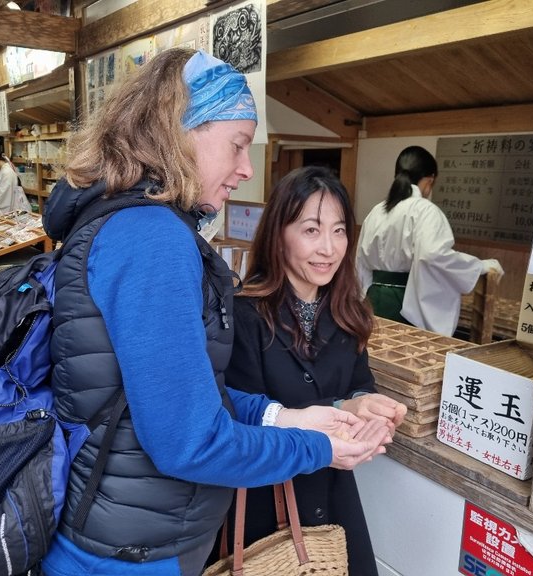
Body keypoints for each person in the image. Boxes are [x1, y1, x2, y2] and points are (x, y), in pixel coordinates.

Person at [40, 48, 392, 576]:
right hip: (134, 551)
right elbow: (190, 442)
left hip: (124, 529)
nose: (246, 169)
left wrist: (285, 416)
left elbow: (186, 396)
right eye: (238, 145)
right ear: (180, 130)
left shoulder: (128, 222)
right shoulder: (151, 238)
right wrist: (318, 447)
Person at [219, 165, 407, 576]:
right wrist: (341, 408)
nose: (328, 248)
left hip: (333, 496)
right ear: (278, 235)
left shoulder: (348, 313)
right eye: (311, 230)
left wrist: (367, 406)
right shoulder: (244, 314)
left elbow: (359, 384)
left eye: (339, 230)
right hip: (265, 503)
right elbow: (236, 418)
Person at [355, 145, 503, 336]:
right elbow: (433, 255)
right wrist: (479, 266)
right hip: (406, 304)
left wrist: (359, 299)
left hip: (372, 300)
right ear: (430, 180)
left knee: (373, 356)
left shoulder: (377, 211)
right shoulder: (424, 210)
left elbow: (360, 260)